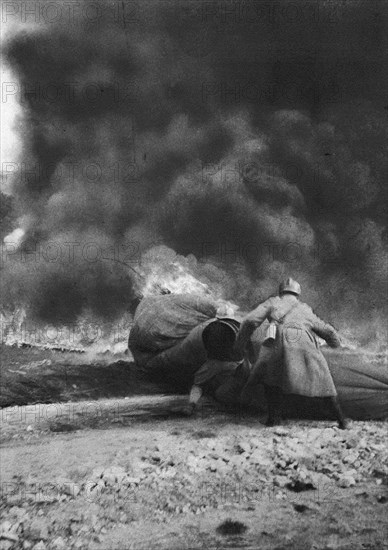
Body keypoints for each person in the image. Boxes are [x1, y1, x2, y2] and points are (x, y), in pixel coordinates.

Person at [235, 278, 347, 429]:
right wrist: (336, 345)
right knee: (324, 383)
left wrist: (240, 343)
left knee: (270, 378)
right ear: (298, 293)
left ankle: (273, 419)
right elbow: (326, 329)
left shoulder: (273, 302)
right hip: (305, 345)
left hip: (278, 343)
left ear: (281, 291)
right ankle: (342, 421)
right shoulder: (304, 308)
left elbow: (249, 321)